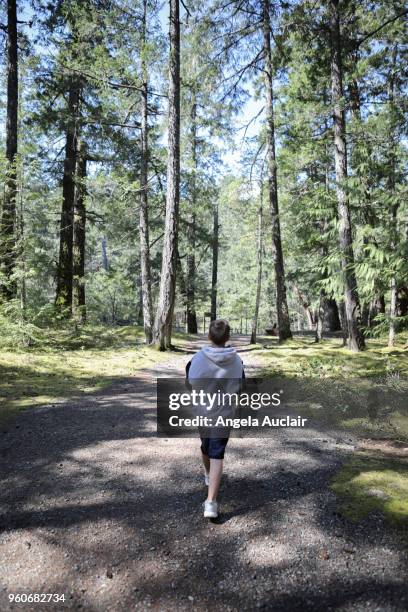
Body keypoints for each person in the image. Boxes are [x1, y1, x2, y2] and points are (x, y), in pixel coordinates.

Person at [186, 319, 245, 519]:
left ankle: (210, 496)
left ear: (209, 336)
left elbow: (190, 382)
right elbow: (240, 385)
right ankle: (210, 487)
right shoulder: (237, 361)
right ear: (228, 337)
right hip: (224, 413)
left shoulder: (197, 359)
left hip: (202, 411)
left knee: (209, 449)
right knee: (213, 451)